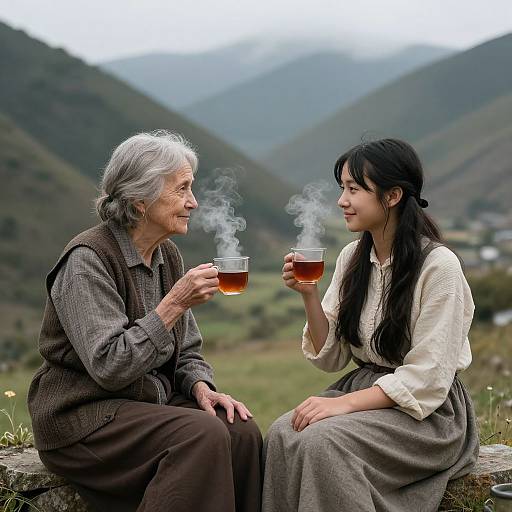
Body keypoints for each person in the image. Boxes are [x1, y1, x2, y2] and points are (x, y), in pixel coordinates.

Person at [28, 131, 262, 512]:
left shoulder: (166, 256)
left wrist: (201, 386)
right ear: (140, 200)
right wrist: (173, 304)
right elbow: (110, 366)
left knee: (240, 430)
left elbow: (186, 350)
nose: (193, 202)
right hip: (83, 419)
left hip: (144, 405)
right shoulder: (88, 260)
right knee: (198, 435)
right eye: (182, 189)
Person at [262, 138, 478, 512]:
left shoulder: (439, 267)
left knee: (323, 441)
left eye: (354, 189)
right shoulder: (353, 256)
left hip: (425, 414)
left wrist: (343, 404)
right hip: (369, 392)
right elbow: (332, 357)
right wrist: (309, 295)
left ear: (392, 196)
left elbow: (427, 377)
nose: (342, 200)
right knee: (283, 431)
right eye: (341, 188)